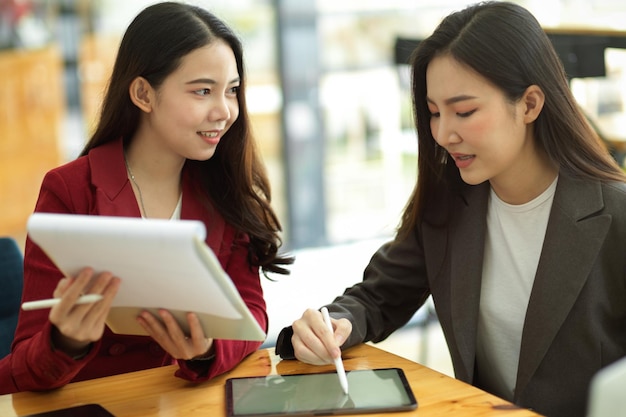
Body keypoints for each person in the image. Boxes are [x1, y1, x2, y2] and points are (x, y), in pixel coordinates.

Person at [275, 2, 626, 417]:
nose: (442, 133)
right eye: (434, 113)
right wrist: (333, 325)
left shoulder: (615, 215)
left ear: (530, 104)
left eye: (464, 111)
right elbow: (379, 297)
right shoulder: (450, 201)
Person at [0, 1, 292, 394]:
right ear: (143, 93)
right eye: (203, 91)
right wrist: (66, 342)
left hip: (185, 401)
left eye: (232, 91)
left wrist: (206, 350)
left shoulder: (225, 188)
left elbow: (252, 317)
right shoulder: (70, 190)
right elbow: (18, 369)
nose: (224, 110)